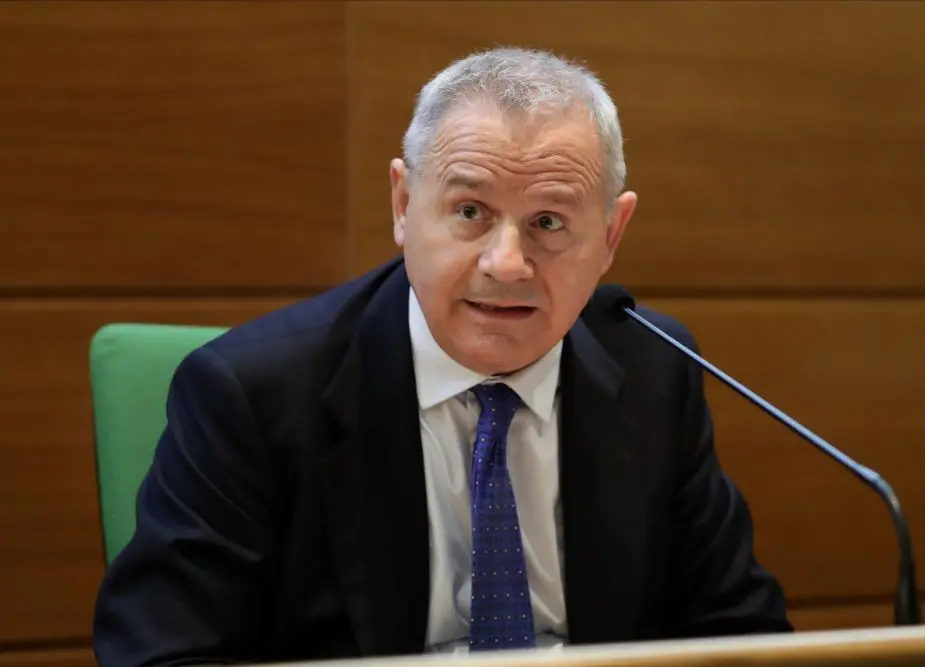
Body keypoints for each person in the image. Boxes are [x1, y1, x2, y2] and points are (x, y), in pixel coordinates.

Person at [93, 47, 792, 666]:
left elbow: (740, 633)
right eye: (470, 213)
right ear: (404, 205)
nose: (507, 263)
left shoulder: (653, 370)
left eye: (549, 222)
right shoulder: (251, 394)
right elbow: (164, 652)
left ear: (611, 234)